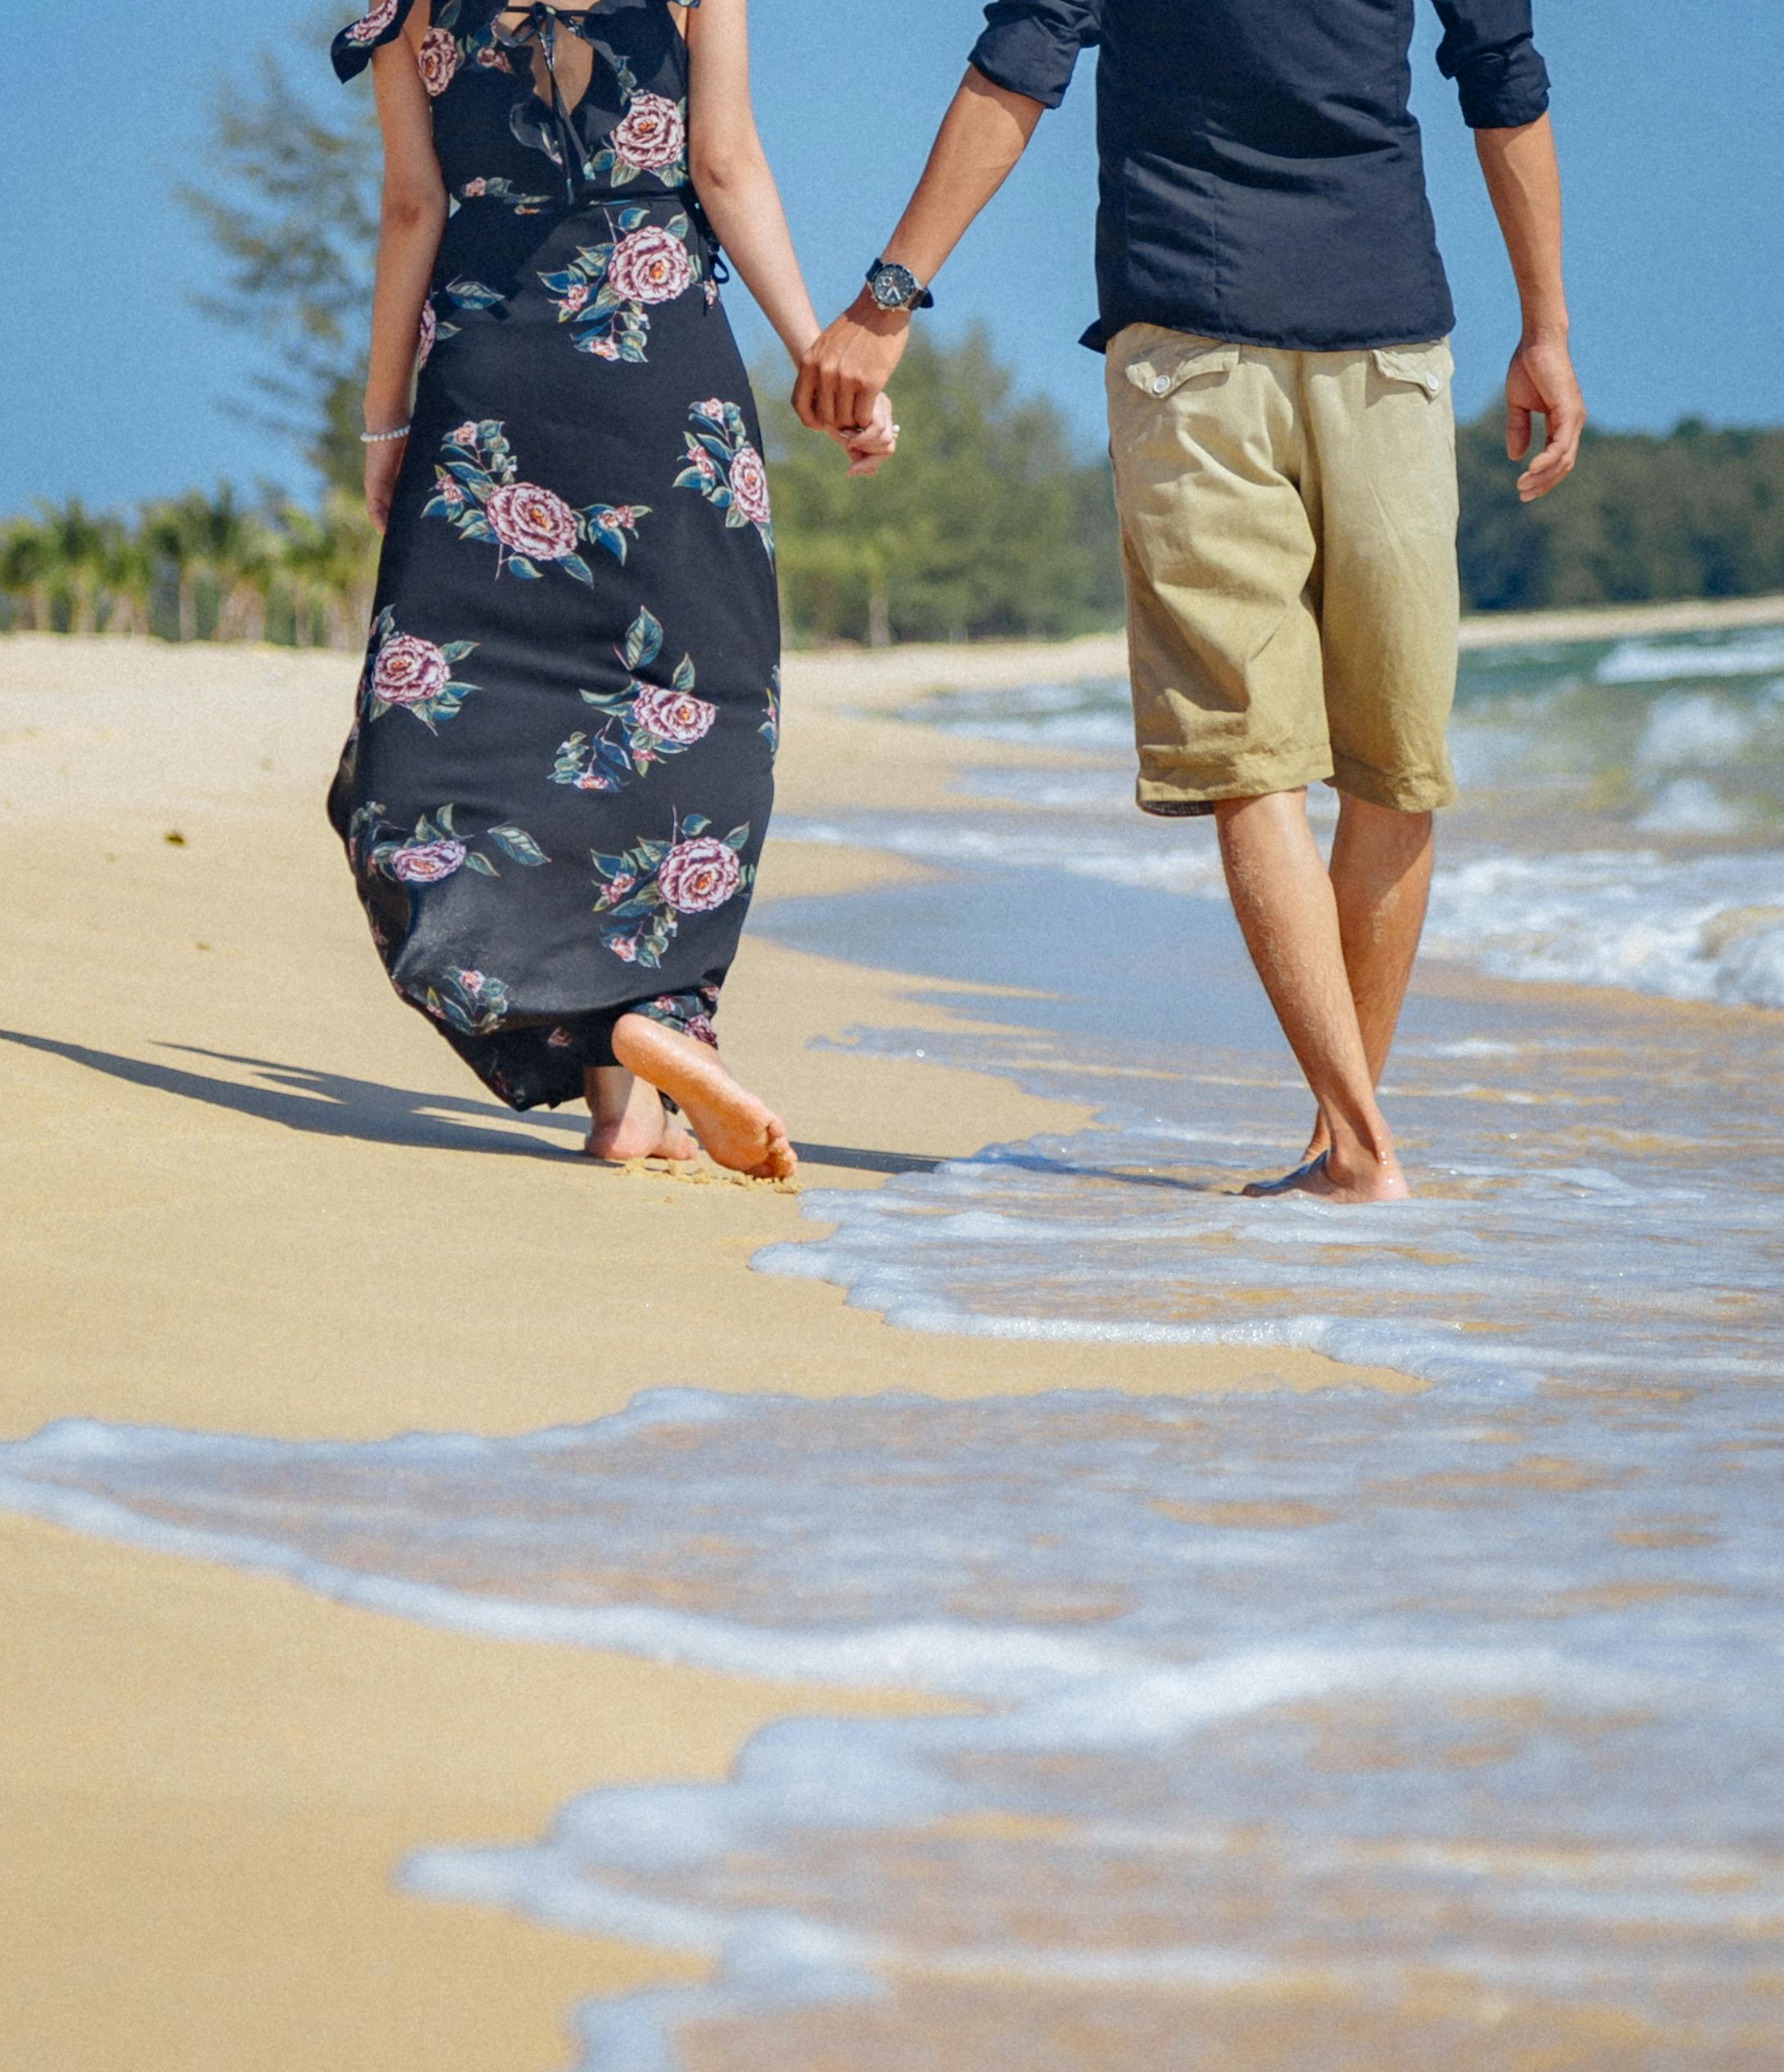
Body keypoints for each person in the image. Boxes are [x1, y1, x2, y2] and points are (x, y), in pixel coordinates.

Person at [797, 0, 1584, 1202]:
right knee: (1358, 762)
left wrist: (887, 298)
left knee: (1303, 760)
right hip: (1323, 349)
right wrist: (1544, 330)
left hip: (1252, 348)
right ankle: (1356, 1146)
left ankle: (1347, 1147)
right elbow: (1504, 78)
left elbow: (1021, 61)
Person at [330, 0, 894, 1179]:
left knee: (487, 714)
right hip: (660, 374)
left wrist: (387, 417)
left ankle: (623, 1101)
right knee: (699, 703)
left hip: (489, 381)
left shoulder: (405, 7)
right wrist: (815, 360)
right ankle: (661, 1020)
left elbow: (410, 208)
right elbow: (726, 168)